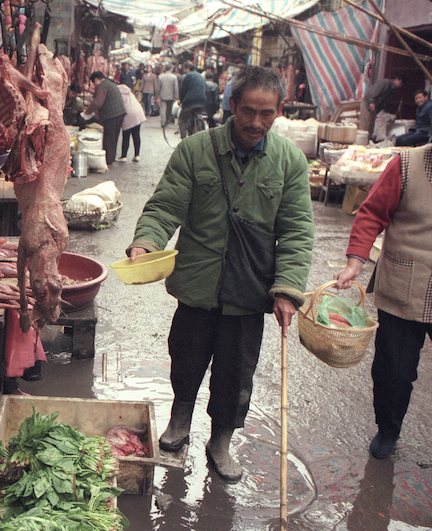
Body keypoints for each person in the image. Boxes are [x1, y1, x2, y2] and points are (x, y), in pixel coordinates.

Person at [126, 65, 314, 482]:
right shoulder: (195, 150)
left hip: (249, 289)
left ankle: (221, 439)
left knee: (235, 376)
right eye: (248, 110)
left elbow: (298, 231)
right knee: (186, 360)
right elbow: (165, 206)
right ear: (232, 105)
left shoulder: (289, 162)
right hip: (197, 285)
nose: (256, 122)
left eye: (267, 113)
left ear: (279, 110)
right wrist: (147, 242)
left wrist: (287, 289)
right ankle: (180, 419)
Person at [334, 144, 432, 459]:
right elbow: (372, 212)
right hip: (406, 285)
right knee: (394, 369)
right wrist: (355, 261)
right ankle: (388, 428)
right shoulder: (406, 164)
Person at [84, 71, 126, 167]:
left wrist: (88, 112)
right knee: (114, 137)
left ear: (96, 79)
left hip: (111, 115)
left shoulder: (101, 86)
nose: (94, 85)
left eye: (93, 83)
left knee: (108, 138)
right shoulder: (110, 83)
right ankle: (112, 158)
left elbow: (97, 103)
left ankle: (108, 161)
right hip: (120, 113)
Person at [359, 74, 406, 140]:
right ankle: (360, 143)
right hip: (368, 103)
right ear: (396, 79)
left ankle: (367, 142)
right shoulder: (385, 83)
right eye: (400, 83)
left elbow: (385, 102)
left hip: (375, 106)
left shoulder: (391, 89)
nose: (400, 85)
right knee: (365, 125)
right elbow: (374, 92)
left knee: (371, 127)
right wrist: (372, 102)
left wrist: (387, 114)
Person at [178, 62, 206, 139]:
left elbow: (183, 90)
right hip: (202, 101)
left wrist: (181, 101)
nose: (184, 71)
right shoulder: (200, 76)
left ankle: (183, 140)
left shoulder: (188, 76)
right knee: (193, 115)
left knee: (182, 120)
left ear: (188, 68)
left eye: (184, 69)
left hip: (190, 101)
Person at [117, 83, 145, 162]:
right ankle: (137, 155)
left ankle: (123, 156)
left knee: (126, 135)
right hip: (138, 111)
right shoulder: (129, 93)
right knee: (136, 134)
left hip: (128, 113)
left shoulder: (119, 94)